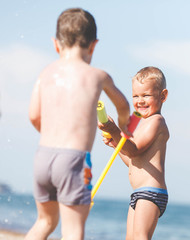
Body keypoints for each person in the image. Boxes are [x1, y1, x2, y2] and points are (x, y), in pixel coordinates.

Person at [26, 8, 130, 240]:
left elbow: (34, 115)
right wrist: (124, 126)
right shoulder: (98, 76)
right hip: (72, 160)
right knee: (72, 230)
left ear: (56, 44)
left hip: (43, 157)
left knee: (45, 222)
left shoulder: (46, 73)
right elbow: (123, 106)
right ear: (93, 45)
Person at [98, 66, 169, 240]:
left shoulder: (156, 121)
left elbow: (135, 150)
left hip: (151, 192)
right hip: (138, 193)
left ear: (163, 96)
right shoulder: (142, 124)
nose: (140, 101)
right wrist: (116, 145)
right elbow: (132, 159)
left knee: (140, 237)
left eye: (146, 95)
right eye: (136, 96)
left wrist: (113, 129)